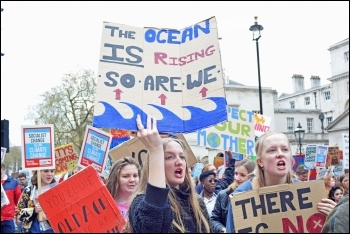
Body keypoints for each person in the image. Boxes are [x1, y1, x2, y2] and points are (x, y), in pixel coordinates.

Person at [225, 131, 337, 233]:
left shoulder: (306, 192)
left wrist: (333, 219)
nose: (280, 154)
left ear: (290, 158)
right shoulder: (241, 196)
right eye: (272, 150)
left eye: (284, 149)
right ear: (260, 161)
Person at [128, 115, 211, 233]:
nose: (179, 162)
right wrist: (155, 150)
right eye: (169, 157)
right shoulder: (141, 202)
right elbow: (151, 227)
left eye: (182, 157)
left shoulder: (197, 203)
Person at [210, 159, 255, 233]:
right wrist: (223, 229)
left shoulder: (258, 195)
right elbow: (214, 220)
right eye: (236, 173)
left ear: (251, 177)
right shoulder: (223, 195)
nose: (237, 178)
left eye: (242, 175)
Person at [106, 157, 140, 225]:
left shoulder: (142, 205)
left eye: (135, 176)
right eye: (126, 176)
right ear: (116, 178)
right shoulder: (103, 204)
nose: (132, 180)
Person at [1, 163, 22, 233]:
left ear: (3, 169)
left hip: (8, 219)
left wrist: (17, 216)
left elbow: (18, 201)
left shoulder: (13, 183)